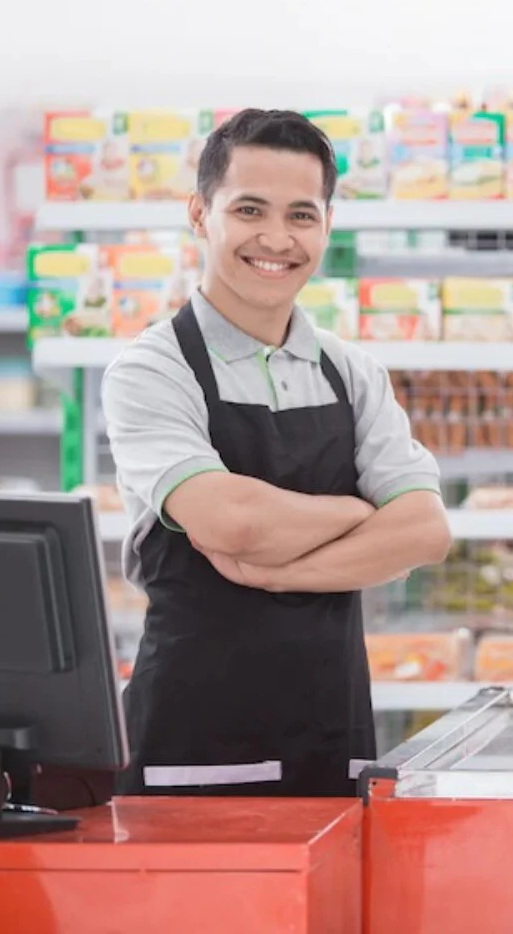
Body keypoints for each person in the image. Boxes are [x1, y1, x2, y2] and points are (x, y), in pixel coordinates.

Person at [102, 109, 451, 798]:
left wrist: (270, 573)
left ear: (325, 226)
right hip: (195, 737)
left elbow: (425, 530)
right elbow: (233, 523)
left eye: (301, 215)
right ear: (200, 214)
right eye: (250, 209)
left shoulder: (350, 372)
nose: (276, 239)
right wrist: (357, 512)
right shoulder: (151, 370)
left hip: (334, 735)